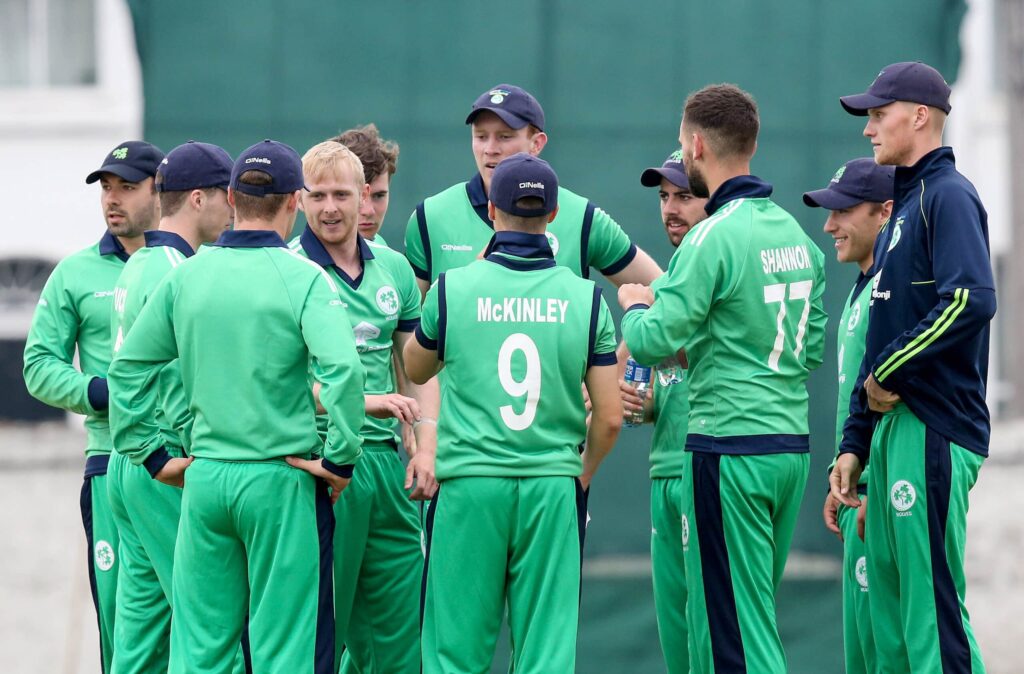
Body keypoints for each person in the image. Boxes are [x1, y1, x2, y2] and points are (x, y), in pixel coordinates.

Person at [107, 139, 366, 673]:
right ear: (295, 201)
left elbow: (127, 369)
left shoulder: (186, 275)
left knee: (200, 651)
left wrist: (150, 454)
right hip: (279, 481)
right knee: (283, 651)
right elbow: (344, 371)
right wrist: (340, 460)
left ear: (230, 197)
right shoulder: (304, 277)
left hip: (206, 479)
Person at [618, 84, 826, 673]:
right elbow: (810, 348)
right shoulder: (795, 235)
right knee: (749, 618)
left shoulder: (712, 235)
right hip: (789, 448)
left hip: (728, 447)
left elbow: (653, 339)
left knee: (732, 635)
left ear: (696, 146)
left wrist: (634, 306)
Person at [404, 153, 622, 673]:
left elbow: (414, 366)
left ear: (492, 212)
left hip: (469, 484)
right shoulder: (587, 298)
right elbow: (610, 417)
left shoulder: (453, 289)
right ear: (553, 217)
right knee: (545, 653)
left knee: (454, 654)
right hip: (551, 485)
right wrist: (582, 473)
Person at [832, 61, 996, 674]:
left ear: (920, 116)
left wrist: (888, 373)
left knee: (931, 619)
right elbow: (882, 332)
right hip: (894, 433)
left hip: (933, 428)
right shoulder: (905, 205)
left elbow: (970, 299)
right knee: (894, 631)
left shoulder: (948, 195)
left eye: (879, 115)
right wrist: (855, 442)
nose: (868, 128)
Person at [290, 140, 437, 674]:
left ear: (364, 197)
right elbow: (280, 382)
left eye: (343, 195)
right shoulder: (287, 268)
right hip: (322, 465)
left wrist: (426, 445)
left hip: (386, 470)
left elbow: (417, 368)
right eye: (317, 195)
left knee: (401, 640)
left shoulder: (393, 269)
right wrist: (362, 402)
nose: (330, 208)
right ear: (299, 201)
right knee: (322, 634)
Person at [23, 140, 163, 672]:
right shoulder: (75, 273)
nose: (112, 199)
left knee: (198, 619)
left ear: (160, 190)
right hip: (110, 462)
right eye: (106, 187)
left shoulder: (188, 264)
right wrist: (99, 392)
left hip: (186, 462)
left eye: (127, 187)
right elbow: (39, 365)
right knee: (121, 623)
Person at [107, 140, 240, 673]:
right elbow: (172, 380)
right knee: (207, 625)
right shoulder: (175, 269)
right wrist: (175, 455)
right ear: (200, 199)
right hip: (162, 462)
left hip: (127, 463)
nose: (235, 209)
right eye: (228, 196)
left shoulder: (140, 261)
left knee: (140, 638)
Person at [404, 83, 662, 294]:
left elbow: (663, 292)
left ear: (537, 143)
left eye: (504, 136)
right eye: (481, 136)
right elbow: (408, 326)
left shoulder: (582, 218)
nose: (490, 149)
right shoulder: (431, 217)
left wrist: (625, 343)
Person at [804, 156, 893, 674]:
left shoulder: (893, 291)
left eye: (843, 211)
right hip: (857, 489)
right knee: (861, 650)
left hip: (880, 493)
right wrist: (845, 472)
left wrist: (874, 485)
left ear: (885, 212)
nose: (829, 225)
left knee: (895, 646)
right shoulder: (863, 286)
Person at [619, 150, 707, 674]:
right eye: (664, 197)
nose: (671, 209)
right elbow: (676, 374)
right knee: (677, 637)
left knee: (711, 634)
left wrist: (638, 310)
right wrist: (649, 403)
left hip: (707, 465)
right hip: (665, 470)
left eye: (685, 197)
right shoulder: (670, 279)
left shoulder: (715, 265)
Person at [330, 123, 400, 245]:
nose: (368, 211)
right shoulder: (300, 256)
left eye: (379, 196)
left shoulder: (385, 251)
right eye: (358, 195)